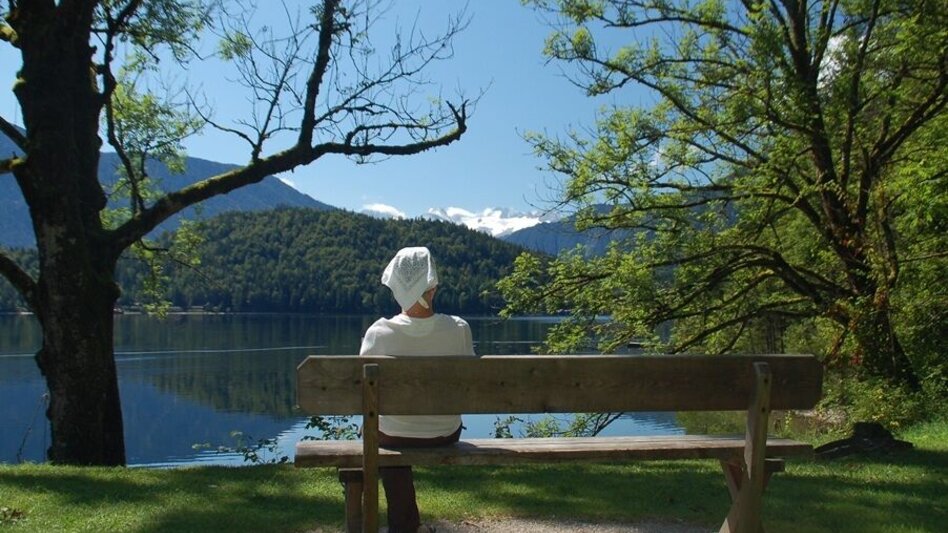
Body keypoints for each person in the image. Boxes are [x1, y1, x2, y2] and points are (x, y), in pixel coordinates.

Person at [359, 246, 476, 533]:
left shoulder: (378, 332)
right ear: (433, 287)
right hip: (445, 432)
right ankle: (408, 526)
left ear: (395, 287)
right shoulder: (459, 329)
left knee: (379, 433)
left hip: (391, 435)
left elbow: (361, 393)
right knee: (386, 432)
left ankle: (405, 526)